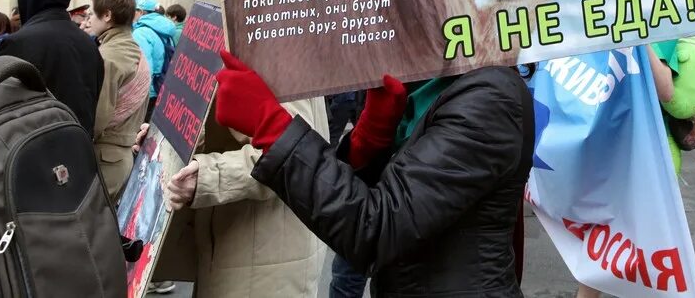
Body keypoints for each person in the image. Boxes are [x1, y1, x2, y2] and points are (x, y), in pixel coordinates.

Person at [212, 51, 534, 296]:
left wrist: (272, 127)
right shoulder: (427, 79)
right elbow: (379, 195)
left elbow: (378, 227)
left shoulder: (489, 93)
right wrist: (368, 143)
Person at [145, 97, 331, 296]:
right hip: (247, 239)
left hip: (260, 248)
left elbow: (292, 153)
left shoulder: (274, 65)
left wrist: (206, 176)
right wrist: (162, 142)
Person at [0, 0, 105, 137]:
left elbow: (1, 108)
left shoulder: (20, 42)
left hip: (33, 153)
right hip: (78, 151)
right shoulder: (87, 42)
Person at [87, 0, 150, 199]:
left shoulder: (109, 56)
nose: (88, 20)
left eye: (91, 13)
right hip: (120, 155)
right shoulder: (133, 49)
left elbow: (98, 116)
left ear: (106, 15)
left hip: (105, 157)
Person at [132, 0, 177, 121]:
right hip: (163, 88)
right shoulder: (166, 29)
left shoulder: (141, 32)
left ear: (140, 12)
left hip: (148, 93)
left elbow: (144, 68)